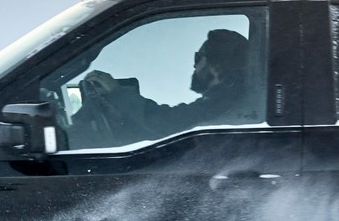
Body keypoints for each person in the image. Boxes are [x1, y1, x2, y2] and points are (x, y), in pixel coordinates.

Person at [76, 27, 258, 143]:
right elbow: (164, 131)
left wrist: (117, 92)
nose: (194, 65)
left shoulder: (223, 101)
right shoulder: (230, 100)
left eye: (198, 57)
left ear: (216, 63)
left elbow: (167, 123)